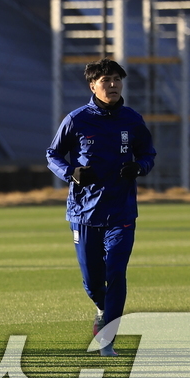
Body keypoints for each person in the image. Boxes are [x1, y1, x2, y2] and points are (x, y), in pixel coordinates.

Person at [46, 58, 155, 357]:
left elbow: (148, 152)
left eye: (117, 79)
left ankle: (108, 338)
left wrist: (140, 167)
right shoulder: (76, 119)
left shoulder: (132, 119)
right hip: (84, 213)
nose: (113, 85)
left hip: (121, 211)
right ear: (93, 85)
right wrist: (72, 173)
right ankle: (100, 307)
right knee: (93, 280)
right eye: (106, 80)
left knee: (116, 272)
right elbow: (52, 154)